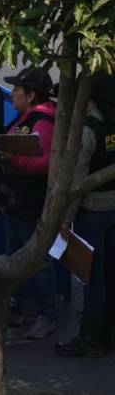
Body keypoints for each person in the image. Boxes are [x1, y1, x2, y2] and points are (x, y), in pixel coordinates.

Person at [56, 75, 115, 357]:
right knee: (111, 272)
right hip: (112, 207)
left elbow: (77, 181)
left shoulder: (89, 129)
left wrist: (65, 219)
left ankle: (89, 337)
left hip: (92, 211)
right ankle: (106, 334)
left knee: (90, 276)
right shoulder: (111, 123)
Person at [0, 67, 58, 339]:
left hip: (30, 204)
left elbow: (47, 163)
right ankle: (16, 306)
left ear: (31, 95)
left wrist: (14, 159)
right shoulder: (25, 117)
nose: (12, 94)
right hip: (15, 203)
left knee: (38, 261)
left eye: (17, 89)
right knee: (14, 256)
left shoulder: (43, 122)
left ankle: (47, 315)